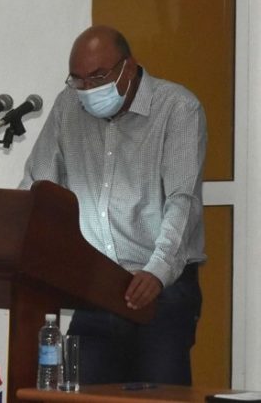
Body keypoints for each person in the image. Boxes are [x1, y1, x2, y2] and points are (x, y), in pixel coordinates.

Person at [19, 25, 206, 385]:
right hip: (97, 285)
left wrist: (157, 271)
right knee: (83, 390)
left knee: (159, 396)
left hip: (161, 285)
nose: (88, 89)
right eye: (78, 79)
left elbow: (182, 202)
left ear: (129, 67)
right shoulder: (68, 105)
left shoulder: (177, 108)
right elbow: (38, 186)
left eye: (98, 77)